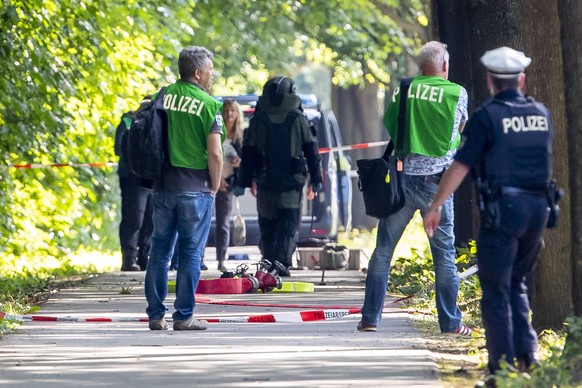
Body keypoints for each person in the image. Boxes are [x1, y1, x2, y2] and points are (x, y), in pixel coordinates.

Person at [424, 47, 553, 384]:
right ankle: (527, 355)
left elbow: (461, 165)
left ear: (490, 80)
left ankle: (500, 370)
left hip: (502, 212)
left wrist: (436, 205)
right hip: (539, 210)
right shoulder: (541, 113)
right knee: (516, 282)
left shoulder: (486, 117)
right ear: (521, 80)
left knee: (495, 288)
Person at [358, 41, 470, 335]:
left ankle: (370, 318)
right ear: (444, 65)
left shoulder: (403, 89)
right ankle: (450, 323)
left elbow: (392, 125)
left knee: (383, 250)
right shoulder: (457, 93)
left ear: (422, 66)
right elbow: (458, 132)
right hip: (438, 186)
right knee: (443, 254)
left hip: (402, 182)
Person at [145, 46, 223, 331]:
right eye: (210, 71)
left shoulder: (162, 96)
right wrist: (215, 185)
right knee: (191, 254)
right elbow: (215, 153)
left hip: (163, 186)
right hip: (195, 188)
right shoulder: (209, 105)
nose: (212, 76)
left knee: (159, 252)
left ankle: (155, 315)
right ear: (199, 72)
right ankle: (184, 316)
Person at [235, 76, 323, 276]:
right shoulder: (298, 119)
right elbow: (312, 151)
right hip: (291, 183)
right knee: (288, 225)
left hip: (266, 181)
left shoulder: (258, 120)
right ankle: (281, 264)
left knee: (268, 224)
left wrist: (244, 181)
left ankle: (268, 264)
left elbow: (248, 152)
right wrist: (316, 180)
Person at [114, 101, 154, 272]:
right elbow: (119, 149)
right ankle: (129, 259)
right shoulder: (127, 122)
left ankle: (144, 259)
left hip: (151, 178)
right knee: (134, 219)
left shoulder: (156, 123)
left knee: (149, 220)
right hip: (132, 177)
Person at [213, 99, 244, 272]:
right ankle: (198, 257)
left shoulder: (240, 136)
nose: (229, 114)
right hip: (211, 180)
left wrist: (239, 163)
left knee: (223, 222)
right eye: (226, 111)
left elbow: (244, 158)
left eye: (232, 111)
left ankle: (221, 259)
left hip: (228, 184)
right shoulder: (216, 130)